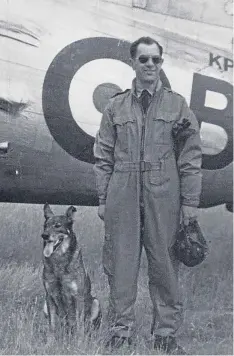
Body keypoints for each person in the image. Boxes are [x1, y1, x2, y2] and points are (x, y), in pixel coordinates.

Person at [93, 36, 202, 354]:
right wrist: (102, 198)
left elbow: (191, 157)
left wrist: (190, 203)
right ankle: (120, 331)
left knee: (165, 265)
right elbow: (103, 156)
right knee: (120, 264)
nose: (150, 65)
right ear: (133, 63)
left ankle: (165, 334)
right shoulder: (116, 106)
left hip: (163, 192)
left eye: (156, 60)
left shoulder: (177, 105)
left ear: (162, 63)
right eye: (144, 59)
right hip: (122, 192)